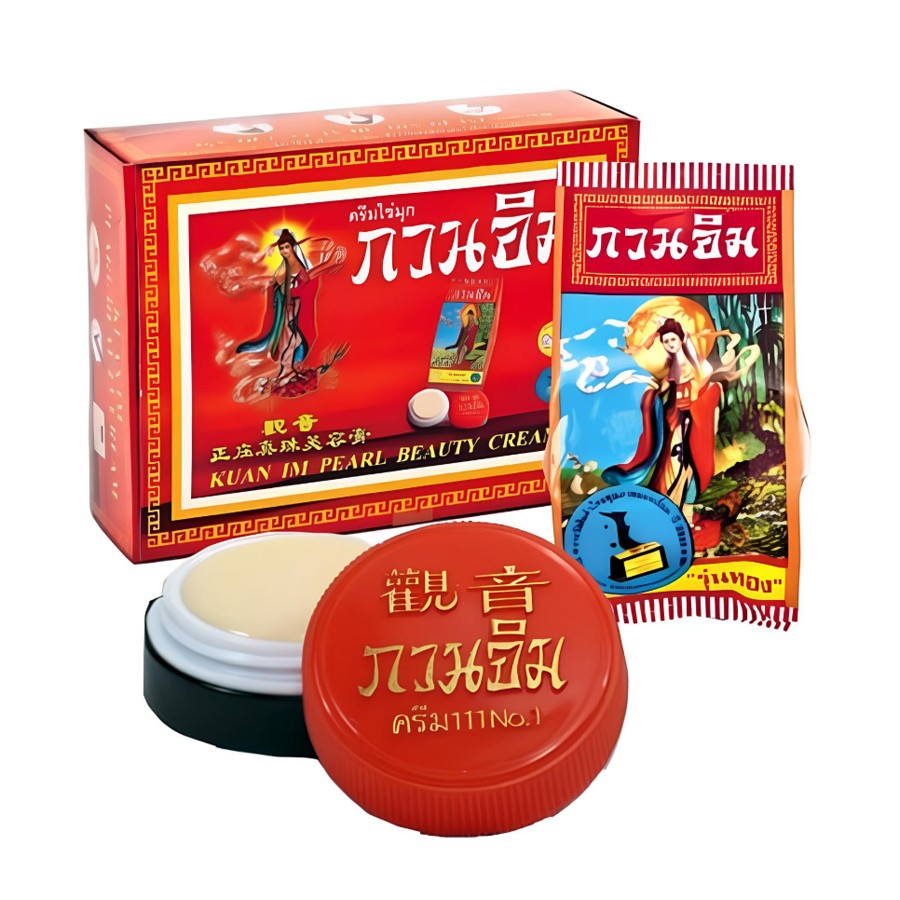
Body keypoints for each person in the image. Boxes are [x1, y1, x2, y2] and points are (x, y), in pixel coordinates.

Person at [603, 318, 721, 508]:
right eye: (666, 341)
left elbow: (707, 373)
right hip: (673, 417)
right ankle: (664, 497)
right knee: (669, 458)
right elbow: (663, 387)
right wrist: (651, 394)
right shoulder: (672, 364)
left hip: (692, 416)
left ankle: (679, 499)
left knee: (686, 458)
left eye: (673, 339)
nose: (670, 344)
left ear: (681, 339)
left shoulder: (694, 362)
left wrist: (695, 391)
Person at [237, 228, 343, 383]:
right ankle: (285, 371)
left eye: (287, 247)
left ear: (293, 247)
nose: (284, 251)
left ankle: (288, 370)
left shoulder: (300, 264)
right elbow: (281, 283)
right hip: (286, 308)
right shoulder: (284, 267)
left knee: (295, 338)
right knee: (289, 339)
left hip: (295, 306)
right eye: (281, 248)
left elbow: (309, 277)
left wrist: (331, 263)